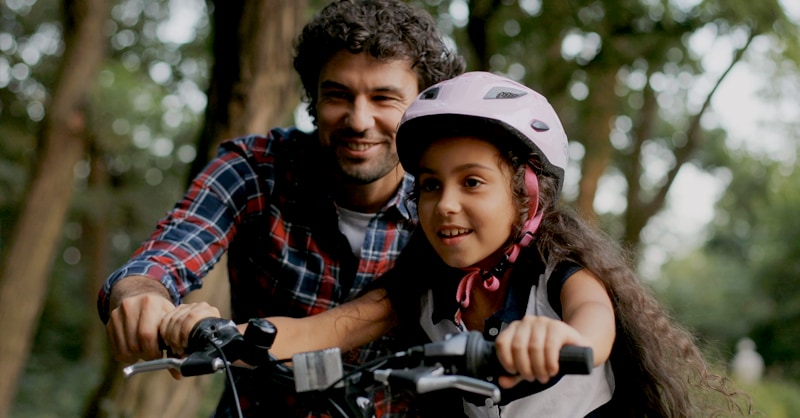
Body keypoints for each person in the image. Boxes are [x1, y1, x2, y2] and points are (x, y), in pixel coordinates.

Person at [97, 0, 464, 416]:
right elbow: (171, 248)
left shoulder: (447, 201)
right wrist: (143, 294)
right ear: (313, 96)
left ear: (419, 106)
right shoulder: (257, 169)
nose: (359, 120)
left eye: (384, 98)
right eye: (338, 95)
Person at [370, 71, 747, 416]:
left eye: (472, 182)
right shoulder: (424, 291)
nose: (446, 205)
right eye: (430, 185)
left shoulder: (557, 273)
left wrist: (562, 337)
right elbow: (335, 329)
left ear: (526, 195)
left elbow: (594, 320)